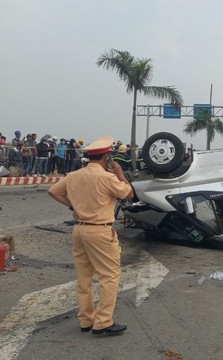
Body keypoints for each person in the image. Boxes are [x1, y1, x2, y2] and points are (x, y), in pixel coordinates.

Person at [48, 135, 133, 335]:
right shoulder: (107, 177)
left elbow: (53, 191)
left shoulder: (74, 175)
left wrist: (72, 206)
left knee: (84, 278)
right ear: (107, 158)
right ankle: (103, 322)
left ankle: (86, 320)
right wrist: (120, 174)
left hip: (79, 230)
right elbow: (128, 194)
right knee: (109, 276)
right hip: (100, 231)